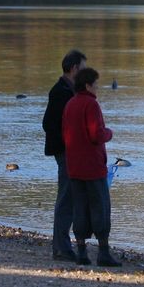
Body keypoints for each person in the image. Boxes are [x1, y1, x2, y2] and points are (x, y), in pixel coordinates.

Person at [62, 67, 121, 267]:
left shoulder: (70, 104)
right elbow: (97, 134)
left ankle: (81, 252)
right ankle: (103, 252)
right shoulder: (91, 105)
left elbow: (65, 134)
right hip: (93, 167)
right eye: (96, 83)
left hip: (75, 166)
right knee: (100, 208)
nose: (98, 87)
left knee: (79, 208)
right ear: (88, 85)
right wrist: (109, 133)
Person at [42, 49, 86, 261]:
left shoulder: (69, 91)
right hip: (66, 152)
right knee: (66, 199)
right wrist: (68, 143)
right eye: (83, 68)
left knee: (70, 198)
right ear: (74, 68)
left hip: (70, 152)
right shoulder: (60, 91)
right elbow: (48, 124)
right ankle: (61, 247)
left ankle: (62, 245)